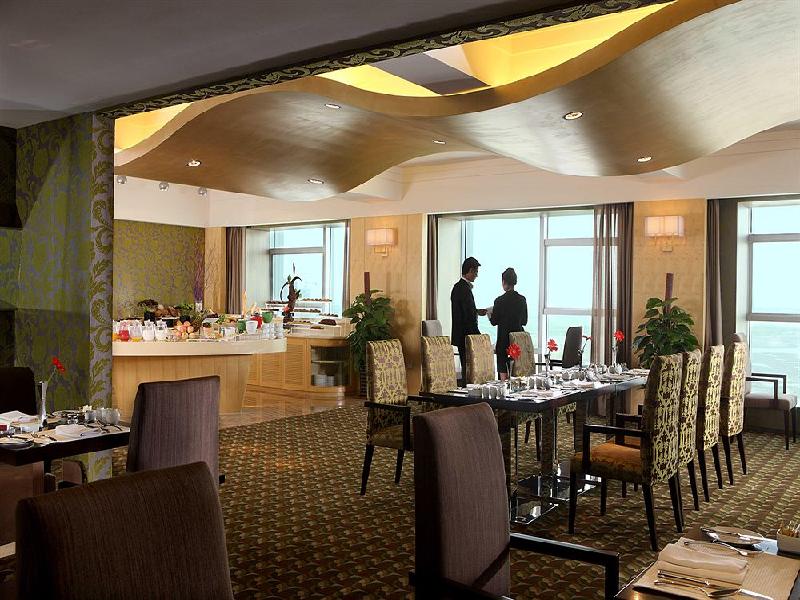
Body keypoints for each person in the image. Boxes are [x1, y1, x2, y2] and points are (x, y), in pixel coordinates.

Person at [450, 257, 485, 382]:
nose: (476, 276)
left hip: (461, 335)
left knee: (467, 367)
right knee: (469, 369)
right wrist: (478, 336)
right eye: (476, 272)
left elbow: (464, 310)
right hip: (466, 336)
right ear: (470, 270)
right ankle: (468, 391)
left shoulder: (458, 287)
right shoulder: (464, 289)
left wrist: (476, 311)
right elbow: (468, 317)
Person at [489, 267, 527, 380]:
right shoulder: (522, 300)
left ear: (504, 282)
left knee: (503, 375)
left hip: (503, 341)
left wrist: (489, 313)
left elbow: (494, 321)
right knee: (517, 375)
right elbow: (524, 321)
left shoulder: (499, 301)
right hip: (517, 342)